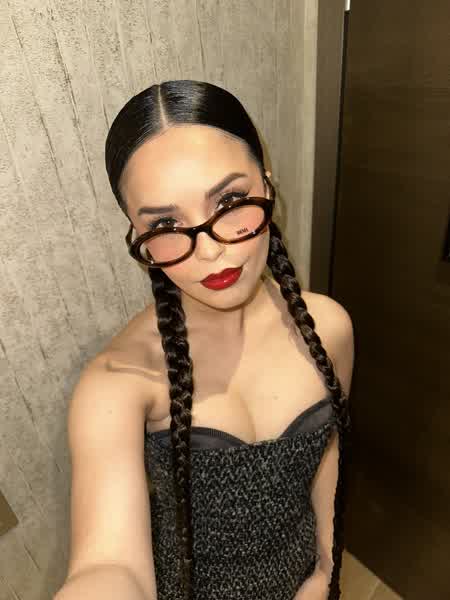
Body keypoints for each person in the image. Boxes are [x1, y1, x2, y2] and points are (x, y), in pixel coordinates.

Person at [56, 80, 354, 600]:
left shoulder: (329, 327)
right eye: (166, 223)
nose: (210, 250)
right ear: (138, 237)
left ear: (267, 186)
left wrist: (327, 569)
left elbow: (330, 455)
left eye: (231, 200)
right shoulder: (115, 384)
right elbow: (109, 564)